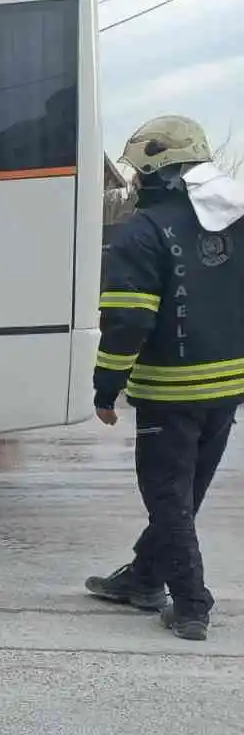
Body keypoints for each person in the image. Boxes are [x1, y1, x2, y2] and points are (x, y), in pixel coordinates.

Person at [84, 115, 244, 642]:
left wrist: (106, 385)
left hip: (171, 390)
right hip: (228, 386)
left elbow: (128, 317)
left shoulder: (143, 230)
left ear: (156, 169)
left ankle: (192, 603)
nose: (133, 182)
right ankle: (144, 577)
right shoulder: (233, 221)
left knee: (167, 496)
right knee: (185, 492)